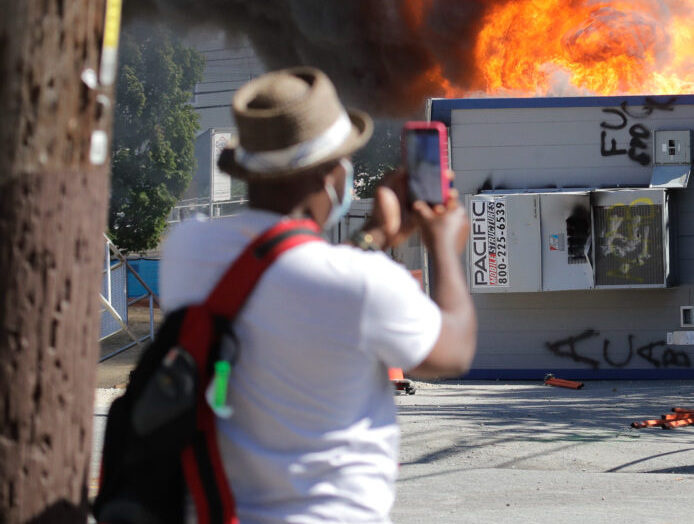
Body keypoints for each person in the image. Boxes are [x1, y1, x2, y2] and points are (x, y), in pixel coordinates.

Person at [160, 66, 476, 524]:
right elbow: (452, 352)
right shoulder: (360, 282)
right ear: (333, 175)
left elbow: (286, 279)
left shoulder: (186, 248)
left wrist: (370, 240)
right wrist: (443, 245)